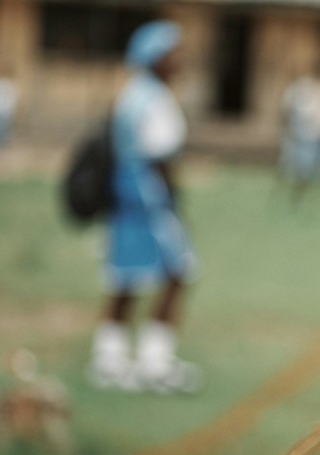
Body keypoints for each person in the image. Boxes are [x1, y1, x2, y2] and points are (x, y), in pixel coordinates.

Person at [89, 20, 199, 393]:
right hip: (149, 195)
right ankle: (154, 364)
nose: (180, 59)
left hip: (126, 194)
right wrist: (172, 202)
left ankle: (110, 360)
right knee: (177, 272)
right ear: (154, 58)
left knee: (126, 274)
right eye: (173, 52)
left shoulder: (133, 92)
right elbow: (161, 155)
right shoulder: (154, 98)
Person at [278, 70, 320, 209]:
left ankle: (304, 196)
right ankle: (293, 197)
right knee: (294, 168)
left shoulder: (317, 90)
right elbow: (286, 110)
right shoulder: (294, 89)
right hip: (297, 135)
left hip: (312, 136)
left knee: (308, 169)